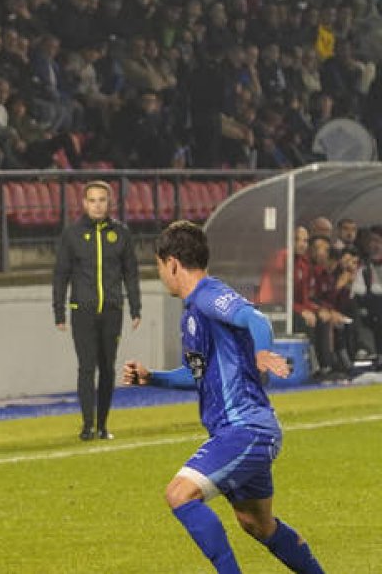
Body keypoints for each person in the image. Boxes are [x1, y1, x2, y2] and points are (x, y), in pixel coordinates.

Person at [123, 220, 325, 574]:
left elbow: (256, 319)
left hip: (245, 428)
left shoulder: (208, 294)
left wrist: (262, 352)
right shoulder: (193, 311)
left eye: (158, 266)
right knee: (257, 524)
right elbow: (196, 375)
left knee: (179, 494)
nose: (160, 275)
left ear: (171, 262)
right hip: (243, 430)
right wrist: (152, 377)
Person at [53, 180, 142, 441]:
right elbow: (61, 275)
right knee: (86, 367)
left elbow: (131, 274)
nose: (97, 205)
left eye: (102, 200)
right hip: (83, 311)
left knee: (108, 368)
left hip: (112, 310)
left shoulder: (121, 233)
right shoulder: (72, 234)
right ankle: (87, 425)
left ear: (109, 202)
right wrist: (58, 311)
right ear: (84, 203)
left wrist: (136, 307)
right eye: (92, 200)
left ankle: (103, 424)